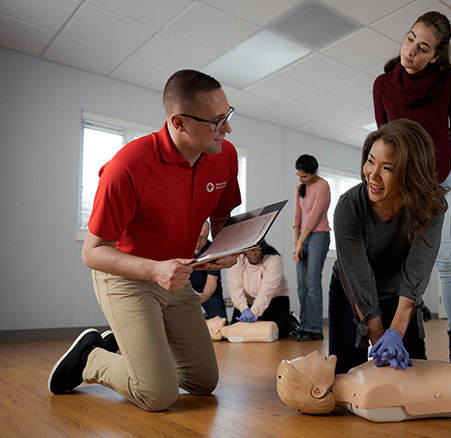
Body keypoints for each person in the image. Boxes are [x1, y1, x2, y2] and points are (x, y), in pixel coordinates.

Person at [48, 69, 241, 411]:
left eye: (227, 115)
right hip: (126, 278)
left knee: (202, 383)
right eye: (216, 121)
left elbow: (221, 220)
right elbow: (92, 253)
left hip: (176, 276)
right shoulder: (128, 167)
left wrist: (227, 249)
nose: (227, 128)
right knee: (158, 394)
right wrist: (154, 270)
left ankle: (140, 355)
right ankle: (90, 358)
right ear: (179, 122)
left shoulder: (224, 155)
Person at [373, 11, 451, 374]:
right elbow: (386, 136)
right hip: (404, 181)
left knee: (446, 263)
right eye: (410, 38)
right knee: (403, 259)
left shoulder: (449, 82)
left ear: (436, 56)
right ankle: (404, 336)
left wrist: (440, 159)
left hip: (443, 180)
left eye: (423, 47)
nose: (411, 50)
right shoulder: (383, 84)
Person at [329, 119, 447, 374]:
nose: (372, 174)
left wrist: (395, 333)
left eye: (388, 168)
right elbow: (359, 279)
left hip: (401, 294)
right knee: (346, 377)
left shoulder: (431, 207)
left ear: (410, 173)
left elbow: (417, 271)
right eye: (370, 161)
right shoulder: (349, 207)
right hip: (352, 292)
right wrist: (378, 343)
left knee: (412, 375)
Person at [276, 351, 451, 422]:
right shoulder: (367, 392)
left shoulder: (357, 373)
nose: (313, 353)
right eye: (308, 361)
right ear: (318, 391)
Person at [292, 154, 331, 341]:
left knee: (312, 284)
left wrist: (301, 241)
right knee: (301, 286)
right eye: (299, 176)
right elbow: (296, 216)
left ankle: (315, 329)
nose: (301, 179)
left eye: (304, 176)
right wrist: (296, 242)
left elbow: (315, 216)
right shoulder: (300, 187)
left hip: (319, 236)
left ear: (314, 173)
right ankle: (304, 325)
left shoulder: (322, 185)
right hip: (302, 238)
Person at [227, 240, 293, 338]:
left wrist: (254, 313)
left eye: (257, 250)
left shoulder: (274, 260)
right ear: (244, 251)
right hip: (247, 302)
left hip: (274, 300)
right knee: (234, 330)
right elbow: (235, 288)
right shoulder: (236, 261)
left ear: (263, 249)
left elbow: (266, 291)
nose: (254, 253)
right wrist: (244, 309)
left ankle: (291, 320)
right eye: (250, 250)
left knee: (281, 332)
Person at [191, 221, 227, 319]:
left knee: (220, 321)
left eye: (202, 237)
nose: (198, 241)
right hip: (188, 290)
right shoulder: (181, 248)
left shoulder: (213, 249)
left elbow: (212, 279)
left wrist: (204, 296)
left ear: (207, 236)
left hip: (210, 293)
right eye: (195, 235)